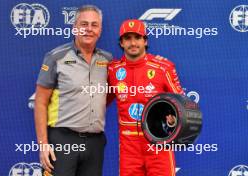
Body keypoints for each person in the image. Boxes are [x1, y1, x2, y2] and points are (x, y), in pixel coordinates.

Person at [34, 5, 112, 176]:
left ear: (100, 30)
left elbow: (109, 95)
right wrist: (43, 144)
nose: (89, 29)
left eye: (94, 25)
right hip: (62, 140)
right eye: (84, 24)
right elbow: (40, 102)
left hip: (95, 143)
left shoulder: (107, 60)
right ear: (74, 27)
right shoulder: (56, 57)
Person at [107, 19, 185, 176]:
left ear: (145, 41)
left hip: (158, 143)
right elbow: (100, 101)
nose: (133, 43)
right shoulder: (113, 70)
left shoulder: (163, 68)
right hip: (129, 147)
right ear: (121, 43)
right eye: (127, 38)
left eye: (137, 37)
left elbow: (182, 104)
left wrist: (173, 120)